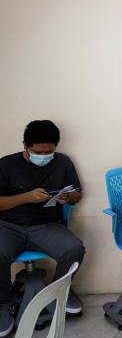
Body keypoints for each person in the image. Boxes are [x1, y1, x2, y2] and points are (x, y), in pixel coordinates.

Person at [0, 120, 85, 337]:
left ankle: (59, 292)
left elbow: (77, 193)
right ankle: (5, 303)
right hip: (8, 225)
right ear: (25, 146)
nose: (45, 156)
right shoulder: (6, 165)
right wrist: (27, 197)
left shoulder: (63, 162)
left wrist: (68, 197)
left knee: (74, 249)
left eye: (50, 152)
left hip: (46, 225)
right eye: (39, 152)